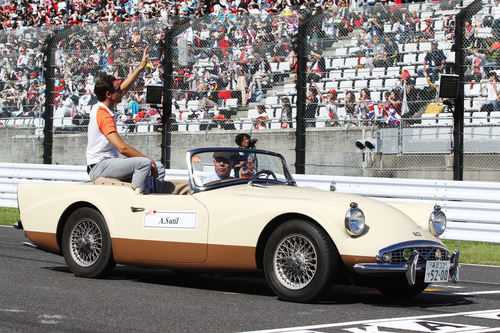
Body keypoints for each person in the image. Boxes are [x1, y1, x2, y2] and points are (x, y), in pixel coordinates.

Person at [86, 46, 165, 194]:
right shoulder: (102, 114)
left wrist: (140, 67)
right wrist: (149, 160)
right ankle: (135, 201)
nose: (122, 91)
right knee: (144, 163)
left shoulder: (105, 105)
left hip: (108, 163)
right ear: (109, 94)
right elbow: (122, 148)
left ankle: (156, 201)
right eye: (117, 90)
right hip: (99, 165)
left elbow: (123, 88)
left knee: (159, 168)